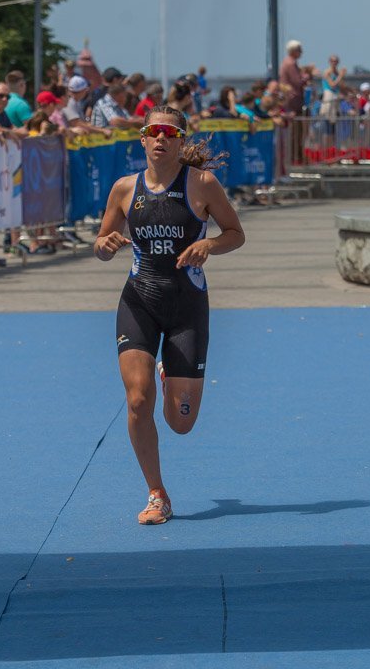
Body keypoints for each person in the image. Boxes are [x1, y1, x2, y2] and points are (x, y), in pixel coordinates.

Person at [93, 104, 246, 525]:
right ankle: (157, 493)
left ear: (181, 141)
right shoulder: (125, 188)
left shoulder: (202, 184)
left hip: (186, 306)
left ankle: (169, 375)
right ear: (142, 139)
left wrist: (209, 245)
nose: (161, 138)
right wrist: (105, 245)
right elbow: (102, 241)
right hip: (139, 301)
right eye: (154, 131)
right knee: (137, 399)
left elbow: (236, 234)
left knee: (181, 422)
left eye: (170, 132)